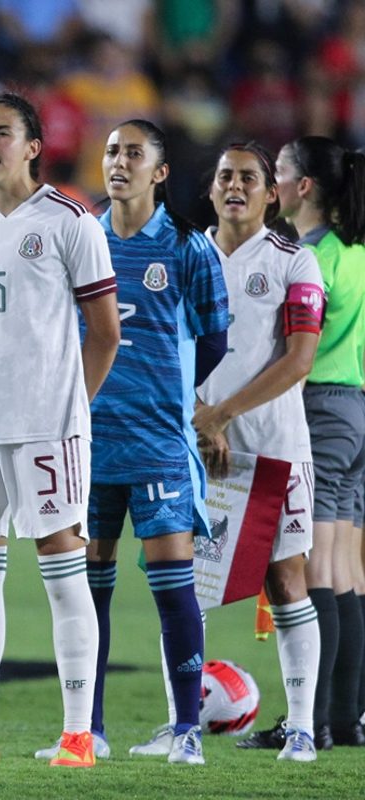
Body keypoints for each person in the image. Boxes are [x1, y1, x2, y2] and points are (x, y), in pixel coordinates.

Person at [36, 119, 228, 766]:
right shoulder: (79, 235)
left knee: (173, 581)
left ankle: (186, 730)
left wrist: (171, 392)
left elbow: (214, 337)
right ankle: (87, 729)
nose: (118, 161)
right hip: (86, 436)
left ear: (160, 171)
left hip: (156, 441)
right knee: (90, 585)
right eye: (113, 151)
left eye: (133, 153)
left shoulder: (187, 248)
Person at [0, 93, 121, 768]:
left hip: (47, 428)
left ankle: (78, 732)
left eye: (2, 133)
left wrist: (71, 408)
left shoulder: (72, 221)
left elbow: (105, 333)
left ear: (35, 145)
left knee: (60, 569)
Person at [188, 143, 323, 761]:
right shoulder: (186, 257)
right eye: (224, 176)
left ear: (273, 194)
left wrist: (222, 414)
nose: (234, 185)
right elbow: (163, 345)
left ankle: (299, 727)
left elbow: (299, 359)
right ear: (211, 190)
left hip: (271, 447)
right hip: (195, 445)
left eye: (248, 177)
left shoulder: (298, 262)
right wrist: (197, 419)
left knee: (285, 579)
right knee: (180, 583)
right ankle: (181, 725)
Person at [276, 135, 365, 749]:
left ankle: (317, 721)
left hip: (322, 408)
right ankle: (345, 716)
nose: (272, 181)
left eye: (277, 171)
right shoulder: (357, 252)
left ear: (304, 186)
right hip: (358, 407)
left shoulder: (313, 259)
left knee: (314, 567)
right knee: (347, 567)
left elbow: (294, 351)